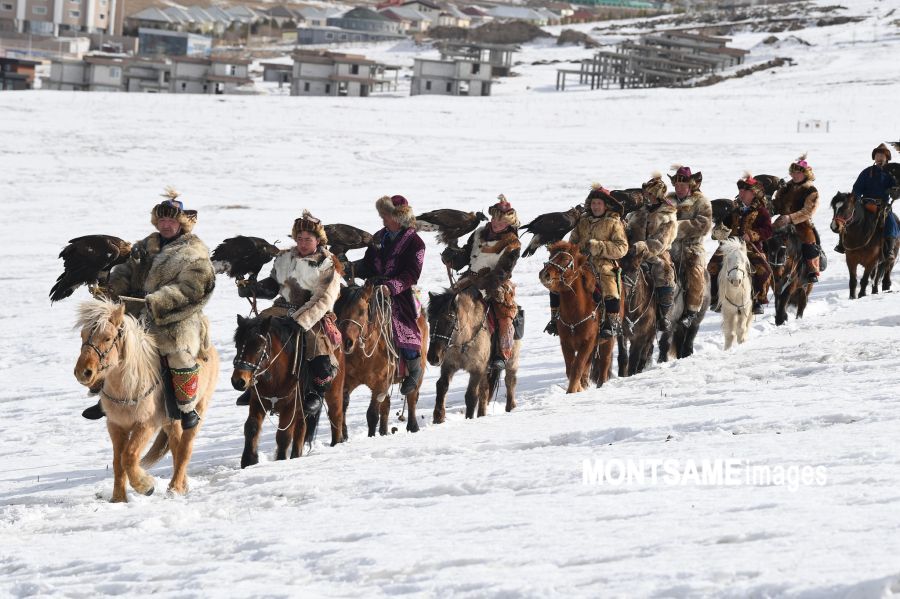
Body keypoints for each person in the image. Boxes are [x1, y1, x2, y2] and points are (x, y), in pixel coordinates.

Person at [83, 189, 216, 430]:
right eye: (162, 220)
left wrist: (158, 300)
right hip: (137, 316)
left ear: (181, 224)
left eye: (171, 220)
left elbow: (195, 289)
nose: (166, 225)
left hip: (177, 320)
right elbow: (126, 272)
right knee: (107, 343)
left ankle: (185, 408)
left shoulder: (194, 253)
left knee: (178, 356)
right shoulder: (145, 246)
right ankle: (105, 397)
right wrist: (111, 289)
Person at [236, 211, 341, 417]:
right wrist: (252, 288)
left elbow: (324, 298)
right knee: (252, 333)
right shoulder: (284, 258)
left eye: (308, 239)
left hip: (314, 312)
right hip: (281, 307)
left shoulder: (327, 263)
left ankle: (316, 392)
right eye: (299, 238)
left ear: (318, 240)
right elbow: (274, 285)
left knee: (316, 344)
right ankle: (251, 382)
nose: (303, 243)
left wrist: (302, 321)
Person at [349, 195, 426, 396]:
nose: (382, 219)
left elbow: (412, 273)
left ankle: (413, 366)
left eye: (386, 215)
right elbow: (366, 264)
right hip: (373, 287)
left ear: (398, 217)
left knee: (400, 324)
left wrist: (391, 287)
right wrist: (348, 268)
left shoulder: (416, 243)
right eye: (382, 215)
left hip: (398, 293)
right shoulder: (378, 237)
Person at [441, 195, 521, 372]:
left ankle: (501, 354)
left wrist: (484, 288)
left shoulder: (513, 243)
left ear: (508, 224)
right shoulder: (477, 234)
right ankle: (441, 344)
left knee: (505, 315)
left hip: (496, 282)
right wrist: (452, 257)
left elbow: (504, 271)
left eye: (501, 222)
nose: (496, 223)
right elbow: (464, 258)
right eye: (494, 219)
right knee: (443, 304)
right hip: (470, 277)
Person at [546, 184, 628, 338]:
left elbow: (622, 247)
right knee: (558, 281)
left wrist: (599, 247)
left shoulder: (614, 222)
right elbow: (572, 243)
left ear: (606, 205)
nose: (596, 206)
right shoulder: (582, 221)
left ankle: (612, 322)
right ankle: (555, 319)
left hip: (604, 263)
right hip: (581, 263)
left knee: (608, 283)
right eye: (593, 203)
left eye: (599, 203)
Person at [708, 174, 774, 315]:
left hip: (750, 247)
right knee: (712, 267)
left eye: (745, 191)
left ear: (754, 193)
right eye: (740, 191)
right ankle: (715, 298)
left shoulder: (761, 211)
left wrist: (751, 235)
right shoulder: (733, 208)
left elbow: (768, 230)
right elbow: (724, 225)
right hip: (730, 246)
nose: (741, 193)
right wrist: (718, 232)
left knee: (764, 270)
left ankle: (757, 300)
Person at [625, 173, 678, 331]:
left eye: (648, 193)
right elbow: (629, 229)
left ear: (656, 195)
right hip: (632, 252)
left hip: (656, 254)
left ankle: (663, 314)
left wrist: (641, 247)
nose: (645, 196)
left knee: (664, 271)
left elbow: (661, 242)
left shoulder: (668, 216)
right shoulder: (636, 211)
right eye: (644, 193)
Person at [667, 166, 712, 328]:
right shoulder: (667, 200)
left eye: (682, 186)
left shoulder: (701, 202)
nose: (678, 189)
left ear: (690, 185)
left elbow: (704, 224)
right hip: (668, 248)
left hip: (692, 248)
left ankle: (691, 311)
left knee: (696, 273)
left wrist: (676, 227)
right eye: (676, 186)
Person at [839, 143, 899, 261]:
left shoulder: (892, 173)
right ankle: (841, 245)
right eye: (877, 155)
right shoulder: (866, 172)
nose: (879, 157)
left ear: (887, 158)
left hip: (882, 206)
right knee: (846, 218)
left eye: (882, 155)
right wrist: (853, 200)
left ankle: (889, 250)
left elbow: (897, 188)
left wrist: (895, 192)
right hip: (864, 204)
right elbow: (857, 188)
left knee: (891, 223)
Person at [772, 154, 820, 282]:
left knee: (809, 243)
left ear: (805, 174)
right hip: (781, 222)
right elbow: (777, 204)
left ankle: (812, 270)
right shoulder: (785, 188)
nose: (794, 175)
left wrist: (790, 218)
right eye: (793, 172)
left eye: (798, 172)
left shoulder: (811, 190)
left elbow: (808, 211)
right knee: (768, 238)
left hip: (802, 224)